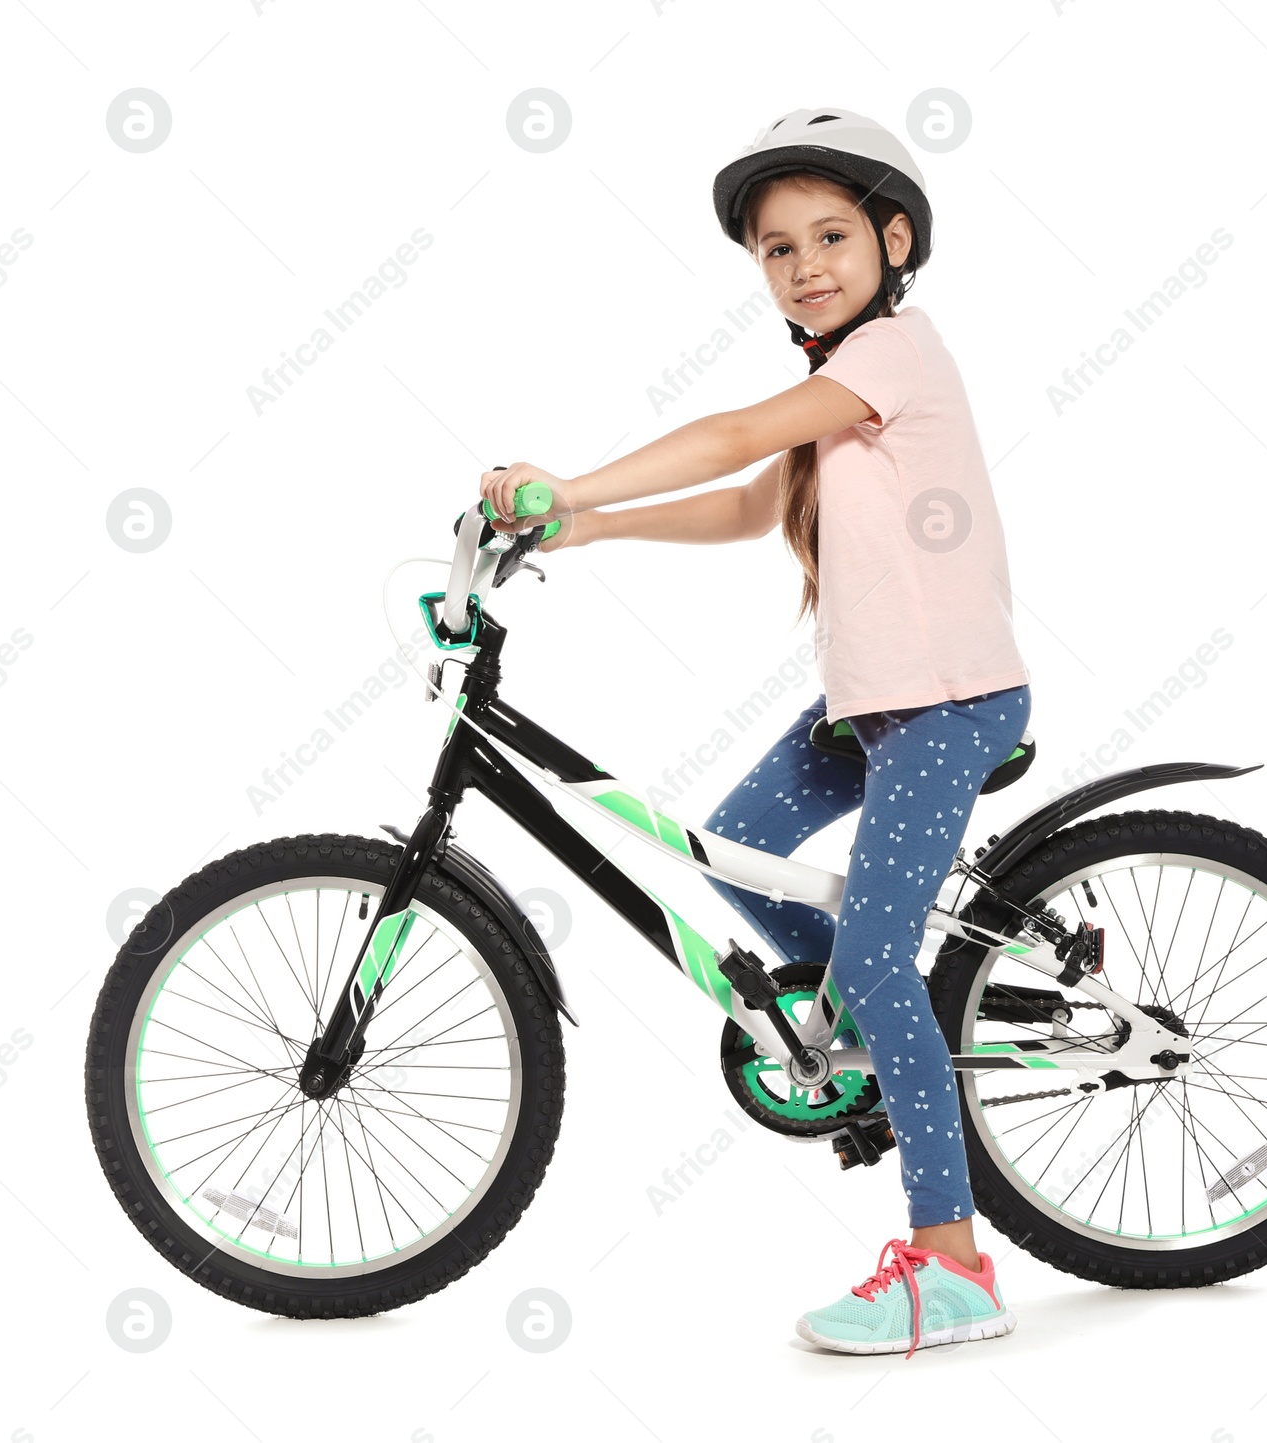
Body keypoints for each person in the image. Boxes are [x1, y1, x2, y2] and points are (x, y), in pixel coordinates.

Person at [478, 107, 1031, 1357]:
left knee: (881, 960)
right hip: (870, 707)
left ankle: (954, 1270)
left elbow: (729, 436)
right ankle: (885, 1026)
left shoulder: (896, 352)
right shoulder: (830, 396)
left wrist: (575, 480)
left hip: (947, 703)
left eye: (830, 235)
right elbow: (746, 496)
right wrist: (588, 531)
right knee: (732, 844)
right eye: (777, 251)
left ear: (894, 240)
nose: (805, 265)